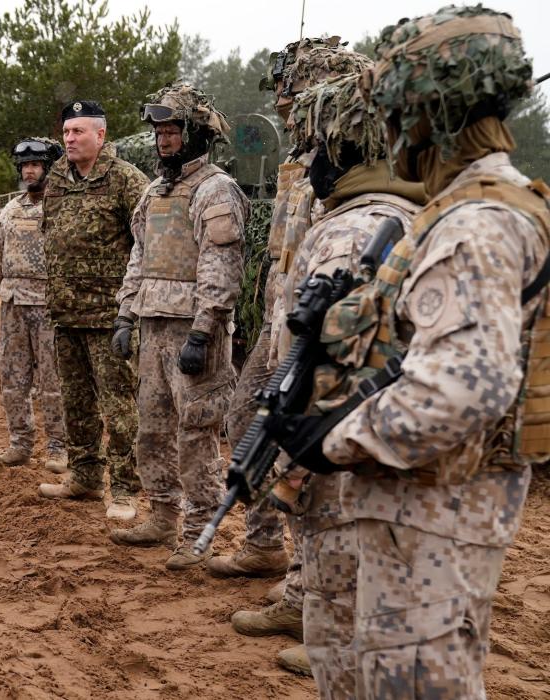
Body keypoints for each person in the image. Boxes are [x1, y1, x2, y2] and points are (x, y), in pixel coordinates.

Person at [271, 6, 546, 697]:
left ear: (431, 114)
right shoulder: (459, 210)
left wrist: (333, 440)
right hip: (420, 513)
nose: (388, 135)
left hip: (436, 517)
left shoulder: (476, 224)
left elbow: (462, 388)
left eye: (396, 115)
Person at [259, 72, 426, 696]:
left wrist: (297, 432)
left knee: (342, 569)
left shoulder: (354, 226)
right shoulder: (407, 210)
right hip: (380, 428)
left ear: (346, 147)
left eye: (317, 148)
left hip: (341, 429)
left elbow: (332, 347)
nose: (308, 163)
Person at [214, 44, 374, 677]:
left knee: (316, 465)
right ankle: (278, 564)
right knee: (252, 426)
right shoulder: (297, 161)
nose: (280, 94)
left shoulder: (348, 159)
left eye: (290, 84)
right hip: (283, 318)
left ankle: (322, 606)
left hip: (328, 328)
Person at [108, 84, 248, 570]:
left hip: (194, 335)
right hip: (152, 327)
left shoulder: (216, 190)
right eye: (160, 132)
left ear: (194, 134)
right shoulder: (154, 191)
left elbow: (221, 266)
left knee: (196, 434)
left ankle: (197, 532)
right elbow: (139, 257)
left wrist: (204, 330)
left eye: (172, 131)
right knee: (153, 428)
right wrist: (126, 315)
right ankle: (163, 514)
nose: (164, 141)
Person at [38, 100, 149, 521]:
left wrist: (131, 308)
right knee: (76, 403)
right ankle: (84, 475)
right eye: (66, 133)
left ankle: (123, 489)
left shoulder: (125, 180)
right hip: (66, 313)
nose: (69, 139)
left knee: (119, 408)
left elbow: (146, 244)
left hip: (109, 316)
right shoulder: (57, 180)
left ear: (100, 136)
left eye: (78, 132)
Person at [0, 137, 68, 473]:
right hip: (13, 305)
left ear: (48, 168)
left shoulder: (61, 205)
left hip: (49, 306)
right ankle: (20, 442)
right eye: (25, 166)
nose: (30, 171)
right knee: (13, 379)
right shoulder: (12, 209)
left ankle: (59, 447)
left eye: (36, 165)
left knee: (53, 382)